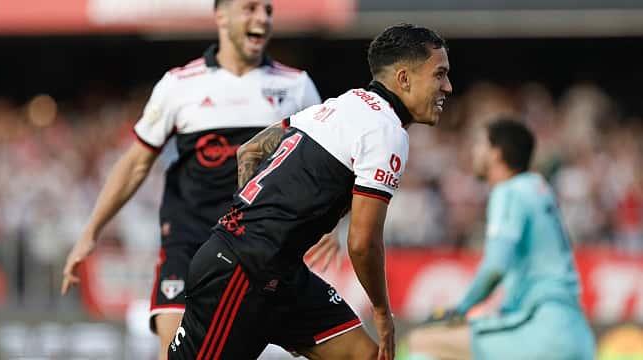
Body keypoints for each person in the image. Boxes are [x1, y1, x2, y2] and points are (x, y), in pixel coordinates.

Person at [167, 23, 452, 360]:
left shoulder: (335, 106)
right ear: (404, 79)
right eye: (440, 74)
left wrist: (258, 213)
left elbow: (251, 151)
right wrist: (382, 313)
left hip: (281, 274)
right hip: (239, 272)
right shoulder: (386, 131)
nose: (447, 87)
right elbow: (362, 243)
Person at [60, 0, 321, 358]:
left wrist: (328, 229)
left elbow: (319, 165)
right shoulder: (179, 85)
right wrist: (90, 232)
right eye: (250, 8)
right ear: (220, 15)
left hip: (260, 251)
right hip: (190, 242)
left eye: (268, 10)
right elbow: (136, 163)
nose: (262, 18)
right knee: (175, 352)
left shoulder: (297, 86)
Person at [404, 119, 595, 360]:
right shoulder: (538, 187)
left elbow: (495, 267)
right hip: (574, 331)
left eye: (479, 145)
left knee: (424, 341)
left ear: (495, 153)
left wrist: (460, 310)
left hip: (542, 331)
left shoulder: (509, 191)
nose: (473, 152)